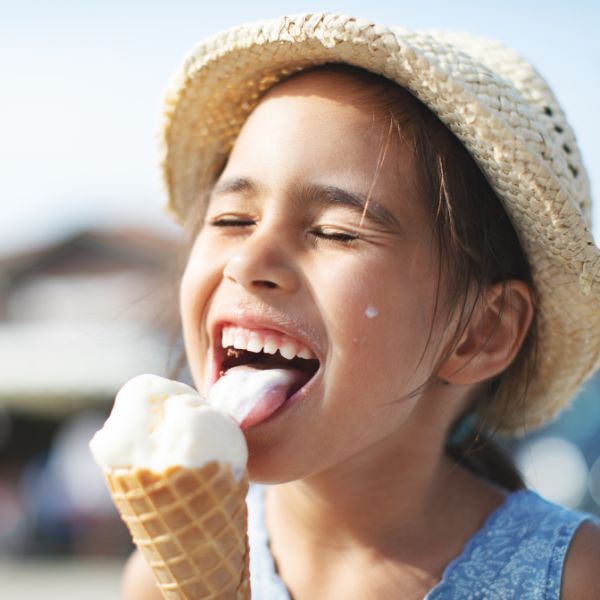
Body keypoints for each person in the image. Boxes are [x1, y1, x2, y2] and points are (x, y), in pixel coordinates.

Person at [123, 13, 600, 599]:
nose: (248, 263)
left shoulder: (574, 578)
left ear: (481, 332)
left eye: (335, 231)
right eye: (232, 220)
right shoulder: (156, 578)